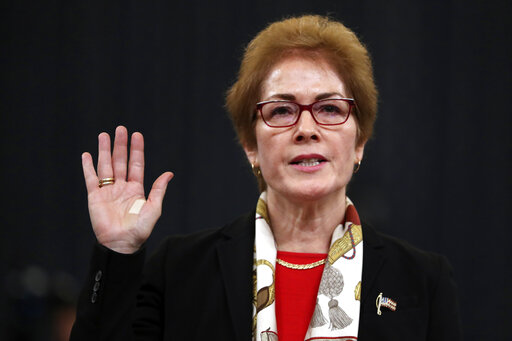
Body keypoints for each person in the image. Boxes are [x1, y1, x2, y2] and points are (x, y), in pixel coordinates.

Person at [70, 15, 462, 341]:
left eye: (329, 109)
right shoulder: (180, 270)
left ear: (359, 142)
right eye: (281, 111)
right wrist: (118, 252)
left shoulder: (423, 281)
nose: (306, 128)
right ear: (250, 146)